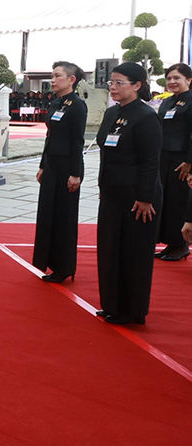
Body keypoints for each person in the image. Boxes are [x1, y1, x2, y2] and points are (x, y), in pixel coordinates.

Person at [95, 62, 162, 325]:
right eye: (111, 82)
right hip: (112, 193)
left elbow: (150, 161)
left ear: (137, 85)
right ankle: (112, 304)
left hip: (137, 197)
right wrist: (103, 187)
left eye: (119, 83)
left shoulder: (146, 117)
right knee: (110, 249)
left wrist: (145, 197)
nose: (113, 87)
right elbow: (105, 152)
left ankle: (133, 311)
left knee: (133, 254)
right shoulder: (113, 114)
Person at [33, 61, 87, 283]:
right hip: (52, 166)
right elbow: (50, 137)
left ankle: (65, 267)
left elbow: (77, 142)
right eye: (52, 76)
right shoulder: (56, 103)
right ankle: (48, 262)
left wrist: (76, 173)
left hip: (67, 168)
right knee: (48, 214)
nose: (52, 80)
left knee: (64, 217)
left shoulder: (77, 105)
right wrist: (43, 165)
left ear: (71, 80)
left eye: (57, 76)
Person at [155, 63, 192, 261]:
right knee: (166, 200)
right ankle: (170, 242)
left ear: (188, 80)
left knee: (179, 201)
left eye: (176, 78)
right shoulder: (167, 102)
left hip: (182, 160)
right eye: (169, 78)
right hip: (164, 157)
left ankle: (181, 245)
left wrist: (189, 162)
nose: (172, 82)